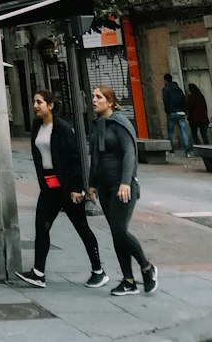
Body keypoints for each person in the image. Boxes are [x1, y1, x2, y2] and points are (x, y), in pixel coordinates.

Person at [14, 89, 107, 290]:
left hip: (67, 187)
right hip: (49, 187)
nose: (35, 106)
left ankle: (98, 271)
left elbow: (73, 159)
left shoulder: (63, 128)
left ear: (50, 105)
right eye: (34, 102)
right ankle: (38, 273)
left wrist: (76, 188)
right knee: (41, 226)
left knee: (82, 227)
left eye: (39, 102)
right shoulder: (37, 126)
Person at [88, 85, 157, 296]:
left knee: (120, 230)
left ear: (110, 102)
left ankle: (147, 267)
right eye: (93, 96)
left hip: (122, 186)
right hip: (105, 186)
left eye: (98, 97)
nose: (94, 100)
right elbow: (95, 157)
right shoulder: (99, 124)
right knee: (116, 234)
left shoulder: (120, 123)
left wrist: (125, 182)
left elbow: (129, 153)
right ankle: (128, 280)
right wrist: (92, 183)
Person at [162, 73, 193, 156]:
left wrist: (168, 111)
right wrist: (184, 110)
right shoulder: (179, 89)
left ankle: (171, 151)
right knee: (183, 132)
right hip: (181, 113)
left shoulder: (166, 89)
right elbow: (184, 100)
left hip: (172, 113)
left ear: (165, 80)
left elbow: (166, 101)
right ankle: (187, 152)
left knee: (170, 133)